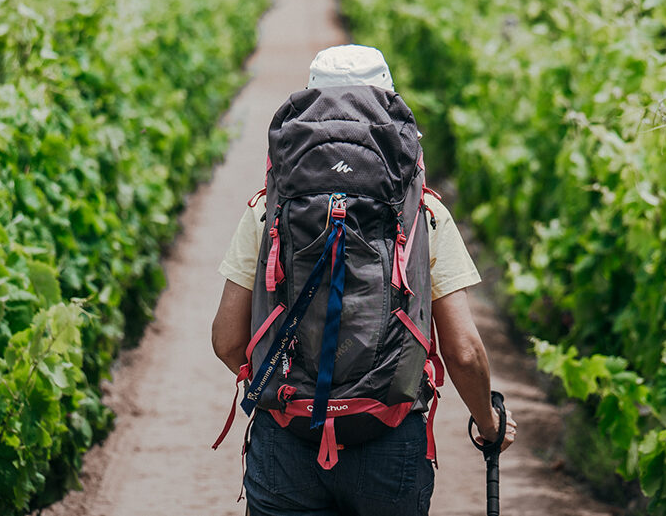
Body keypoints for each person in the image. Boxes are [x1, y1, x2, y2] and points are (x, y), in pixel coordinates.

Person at [211, 44, 517, 516]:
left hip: (287, 441)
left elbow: (227, 339)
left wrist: (286, 389)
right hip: (388, 442)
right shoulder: (425, 213)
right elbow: (463, 350)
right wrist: (488, 422)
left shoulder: (267, 210)